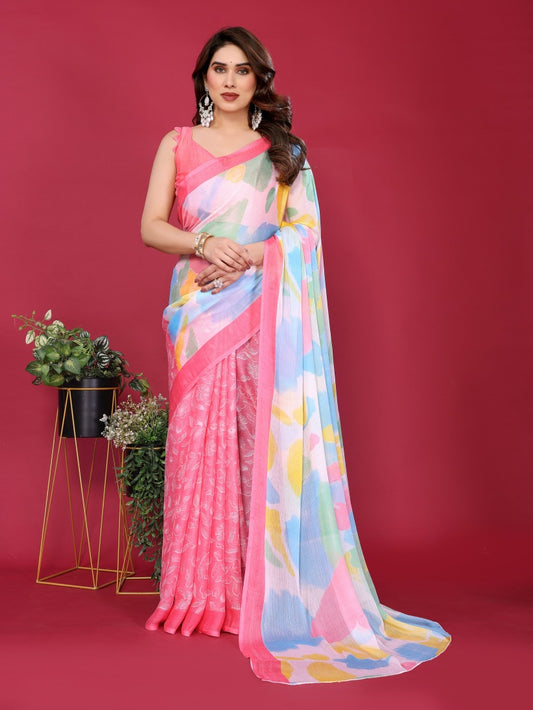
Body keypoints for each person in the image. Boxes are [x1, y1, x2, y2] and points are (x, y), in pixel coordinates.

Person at [140, 26, 451, 685]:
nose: (229, 81)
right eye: (219, 69)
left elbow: (303, 234)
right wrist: (206, 245)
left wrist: (250, 254)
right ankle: (202, 592)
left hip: (265, 308)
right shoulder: (177, 143)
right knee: (199, 444)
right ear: (203, 78)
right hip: (197, 311)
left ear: (259, 80)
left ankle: (268, 591)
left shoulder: (284, 152)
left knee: (263, 446)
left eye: (242, 70)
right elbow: (151, 227)